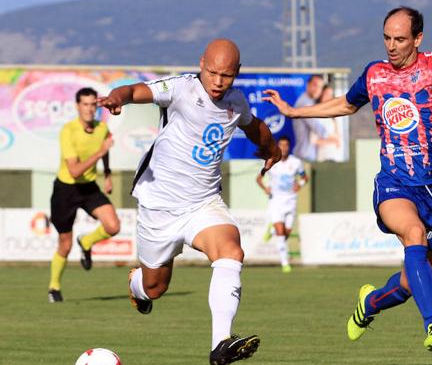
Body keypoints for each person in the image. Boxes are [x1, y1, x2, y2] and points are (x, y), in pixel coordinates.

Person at [264, 6, 432, 355]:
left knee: (408, 284)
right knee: (414, 235)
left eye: (400, 38)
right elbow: (346, 104)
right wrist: (296, 111)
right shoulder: (375, 74)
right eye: (387, 38)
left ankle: (369, 303)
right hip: (394, 183)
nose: (392, 45)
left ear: (418, 39)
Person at [97, 38, 281, 365]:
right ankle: (137, 284)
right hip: (160, 206)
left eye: (226, 75)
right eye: (212, 72)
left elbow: (254, 128)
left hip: (203, 203)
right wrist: (117, 98)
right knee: (155, 288)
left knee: (231, 250)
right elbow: (137, 90)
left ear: (236, 73)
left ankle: (220, 344)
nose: (218, 81)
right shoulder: (181, 89)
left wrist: (272, 149)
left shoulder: (236, 102)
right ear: (201, 65)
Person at [48, 87, 120, 303]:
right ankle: (54, 287)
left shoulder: (102, 128)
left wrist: (107, 174)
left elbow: (105, 148)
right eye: (85, 105)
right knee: (65, 244)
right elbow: (74, 171)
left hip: (89, 188)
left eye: (93, 105)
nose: (89, 109)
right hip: (66, 190)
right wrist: (100, 152)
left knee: (113, 226)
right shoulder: (68, 131)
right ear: (77, 106)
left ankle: (87, 242)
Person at [256, 136, 308, 273]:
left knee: (286, 232)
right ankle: (285, 263)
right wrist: (265, 187)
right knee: (281, 232)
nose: (284, 148)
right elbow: (259, 178)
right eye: (281, 145)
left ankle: (271, 229)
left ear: (289, 147)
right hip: (276, 201)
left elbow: (305, 177)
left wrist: (300, 184)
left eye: (286, 145)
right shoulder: (272, 161)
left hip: (290, 200)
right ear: (278, 147)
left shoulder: (296, 162)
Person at [292, 75, 337, 161]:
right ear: (308, 85)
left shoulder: (311, 102)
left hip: (311, 154)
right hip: (304, 154)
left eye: (320, 87)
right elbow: (316, 126)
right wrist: (332, 138)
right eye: (315, 85)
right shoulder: (304, 103)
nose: (317, 89)